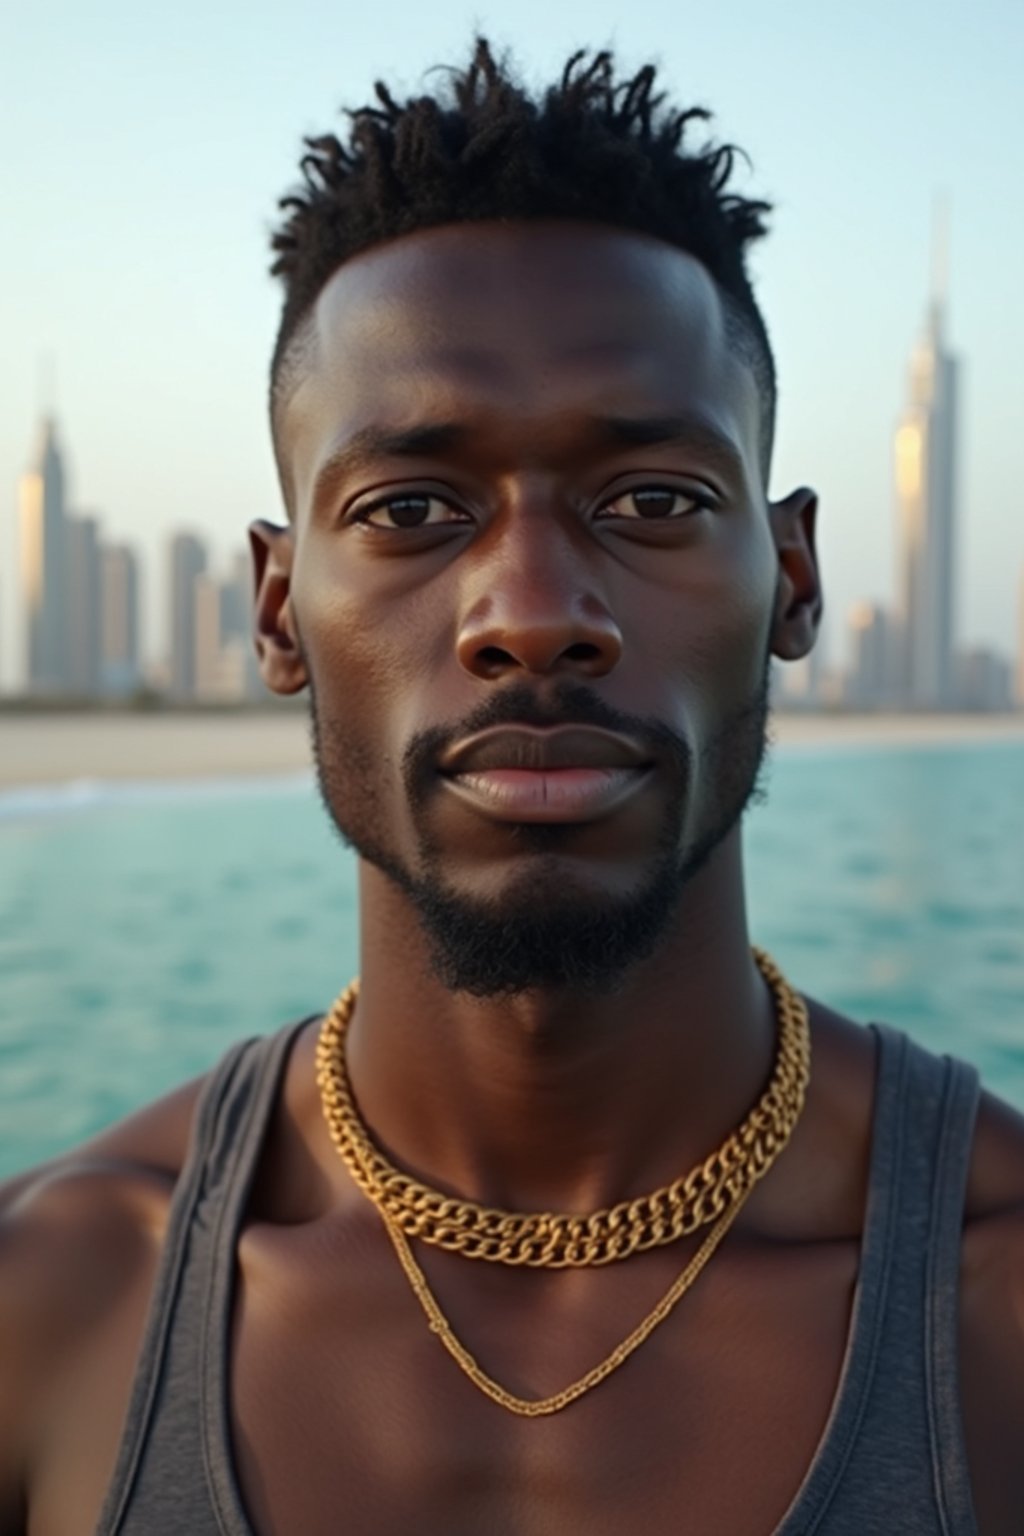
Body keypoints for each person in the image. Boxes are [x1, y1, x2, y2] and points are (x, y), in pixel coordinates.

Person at [1, 38, 1022, 1536]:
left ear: (791, 579)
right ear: (280, 613)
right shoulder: (58, 1303)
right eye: (412, 508)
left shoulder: (997, 1299)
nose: (533, 609)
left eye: (652, 501)